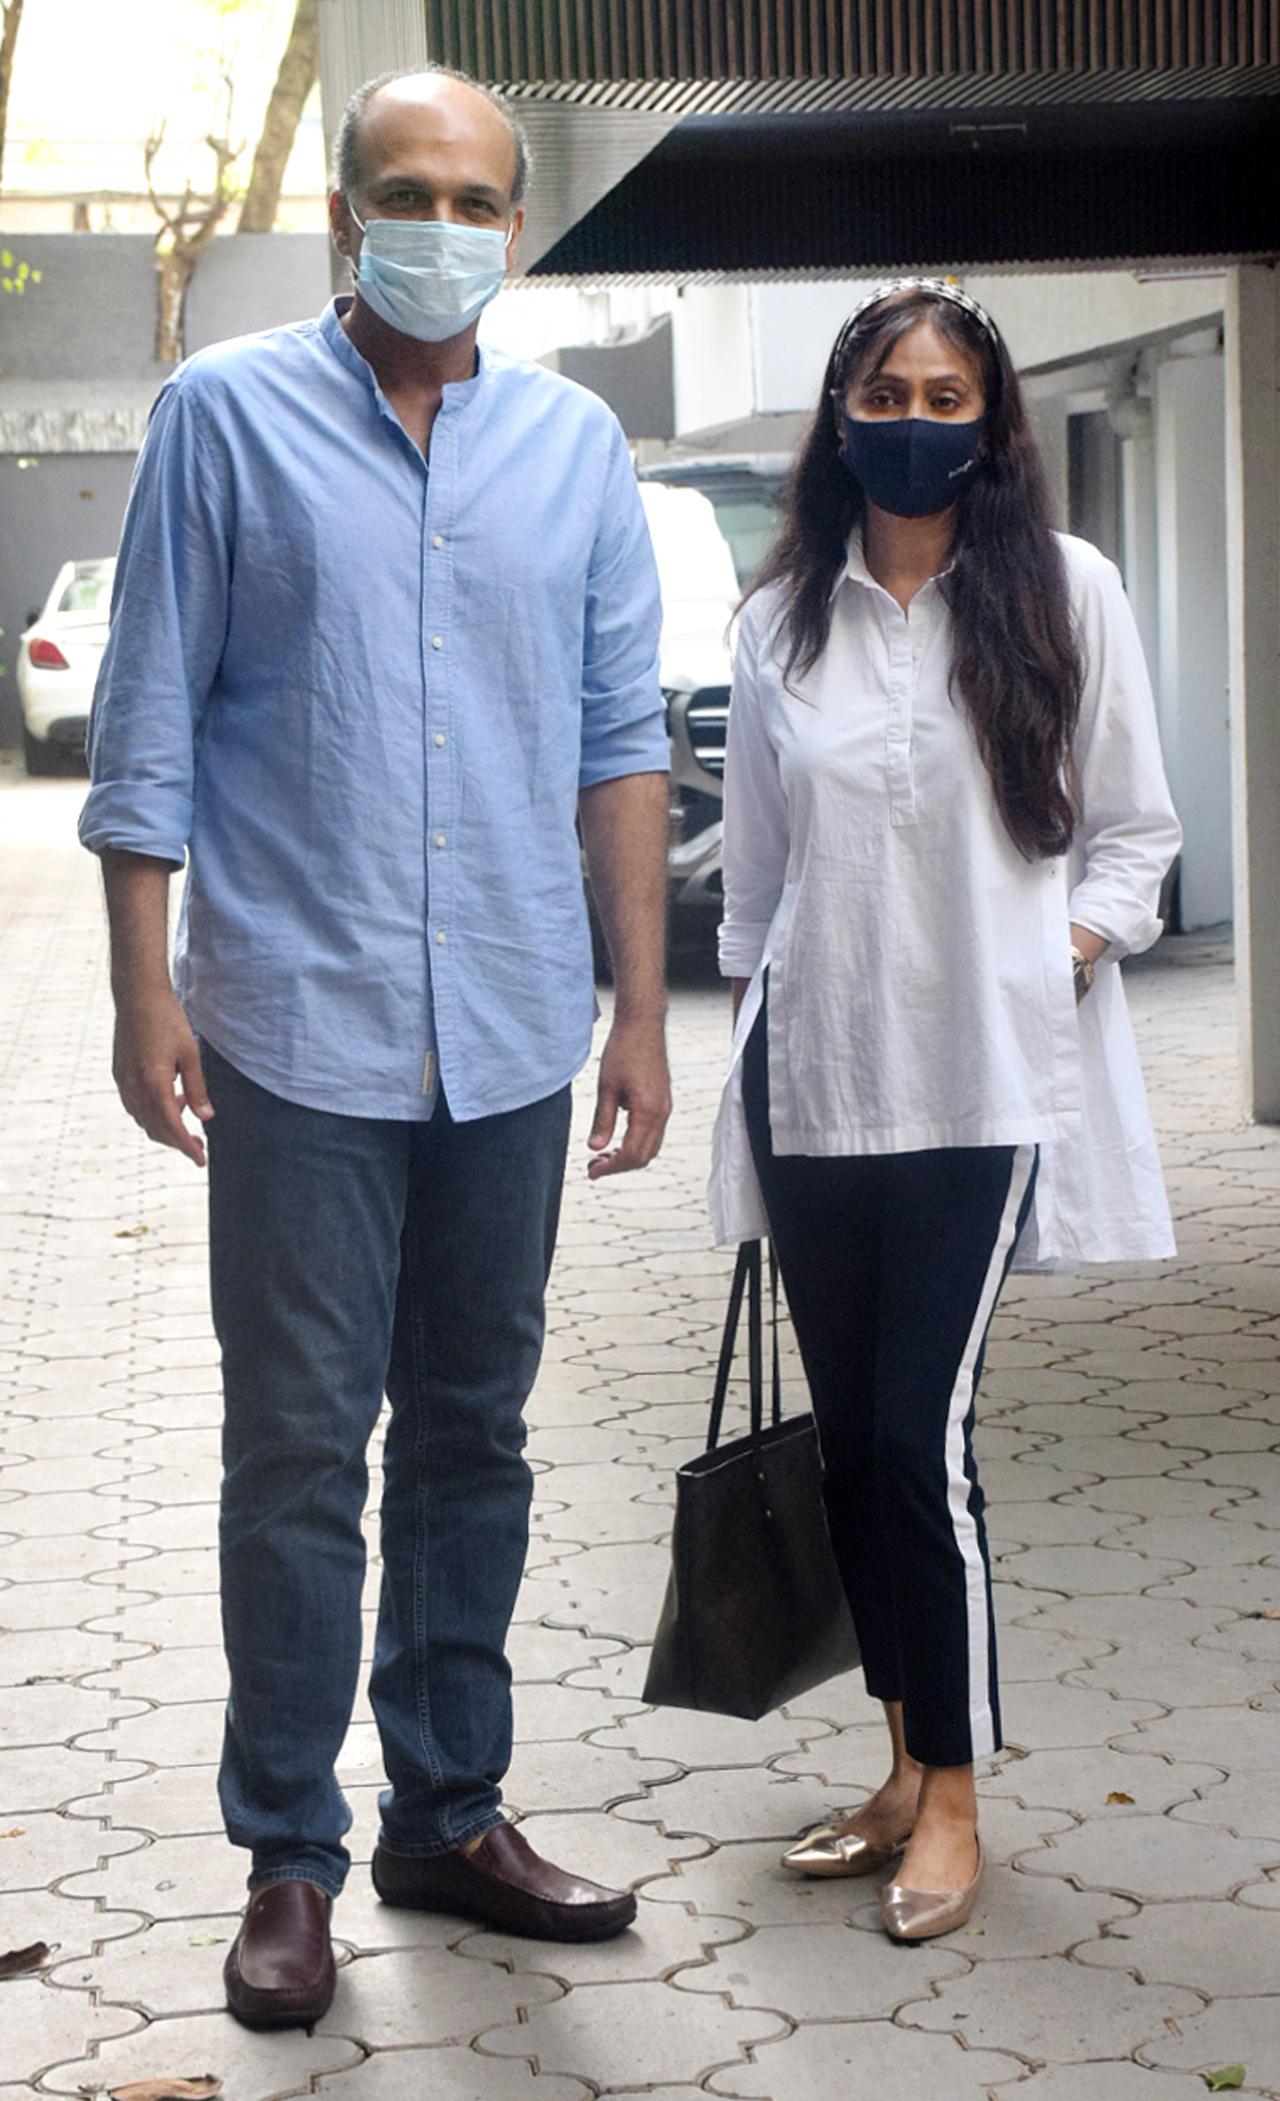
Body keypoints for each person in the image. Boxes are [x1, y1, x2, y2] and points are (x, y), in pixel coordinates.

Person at [79, 66, 672, 2030]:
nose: (439, 219)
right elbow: (148, 718)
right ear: (346, 217)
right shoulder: (221, 418)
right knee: (298, 1452)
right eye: (402, 188)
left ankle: (448, 1809)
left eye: (473, 194)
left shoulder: (578, 451)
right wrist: (138, 983)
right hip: (299, 1040)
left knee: (476, 1438)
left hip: (509, 1027)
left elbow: (614, 747)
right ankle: (288, 1859)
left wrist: (642, 1010)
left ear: (516, 225)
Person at [708, 279, 1180, 1943]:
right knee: (855, 1452)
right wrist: (741, 1068)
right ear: (840, 419)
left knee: (920, 1437)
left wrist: (1045, 961)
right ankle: (899, 1766)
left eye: (945, 390)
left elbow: (1136, 834)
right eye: (885, 390)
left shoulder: (1068, 590)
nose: (915, 416)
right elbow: (754, 890)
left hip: (983, 1087)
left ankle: (960, 1799)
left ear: (992, 418)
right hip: (817, 1080)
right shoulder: (780, 624)